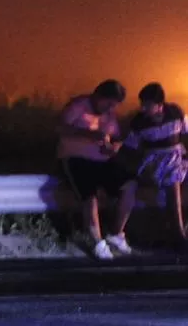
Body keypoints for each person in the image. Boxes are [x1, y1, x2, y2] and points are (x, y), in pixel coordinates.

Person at [56, 79, 137, 259]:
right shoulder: (78, 106)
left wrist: (115, 146)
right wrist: (88, 134)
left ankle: (116, 234)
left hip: (103, 160)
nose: (110, 108)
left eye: (113, 105)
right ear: (99, 96)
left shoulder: (110, 114)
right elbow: (60, 127)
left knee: (130, 185)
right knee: (89, 194)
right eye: (108, 103)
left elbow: (116, 137)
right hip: (77, 159)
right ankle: (97, 243)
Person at [121, 82, 188, 248]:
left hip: (177, 157)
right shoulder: (139, 122)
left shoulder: (175, 113)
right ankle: (178, 233)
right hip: (154, 161)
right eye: (142, 103)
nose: (143, 108)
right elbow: (130, 147)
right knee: (173, 179)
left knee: (176, 173)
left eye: (147, 105)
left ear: (159, 105)